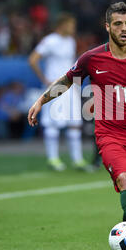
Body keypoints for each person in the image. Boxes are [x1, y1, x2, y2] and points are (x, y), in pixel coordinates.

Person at [28, 2, 126, 250]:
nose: (124, 28)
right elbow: (66, 81)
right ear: (107, 26)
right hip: (109, 136)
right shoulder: (93, 58)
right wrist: (41, 100)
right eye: (118, 23)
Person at [28, 12, 89, 171]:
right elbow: (33, 59)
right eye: (71, 25)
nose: (73, 28)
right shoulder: (50, 40)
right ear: (62, 25)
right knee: (52, 123)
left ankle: (78, 160)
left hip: (70, 87)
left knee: (75, 123)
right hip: (54, 87)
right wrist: (44, 79)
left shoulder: (70, 41)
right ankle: (53, 159)